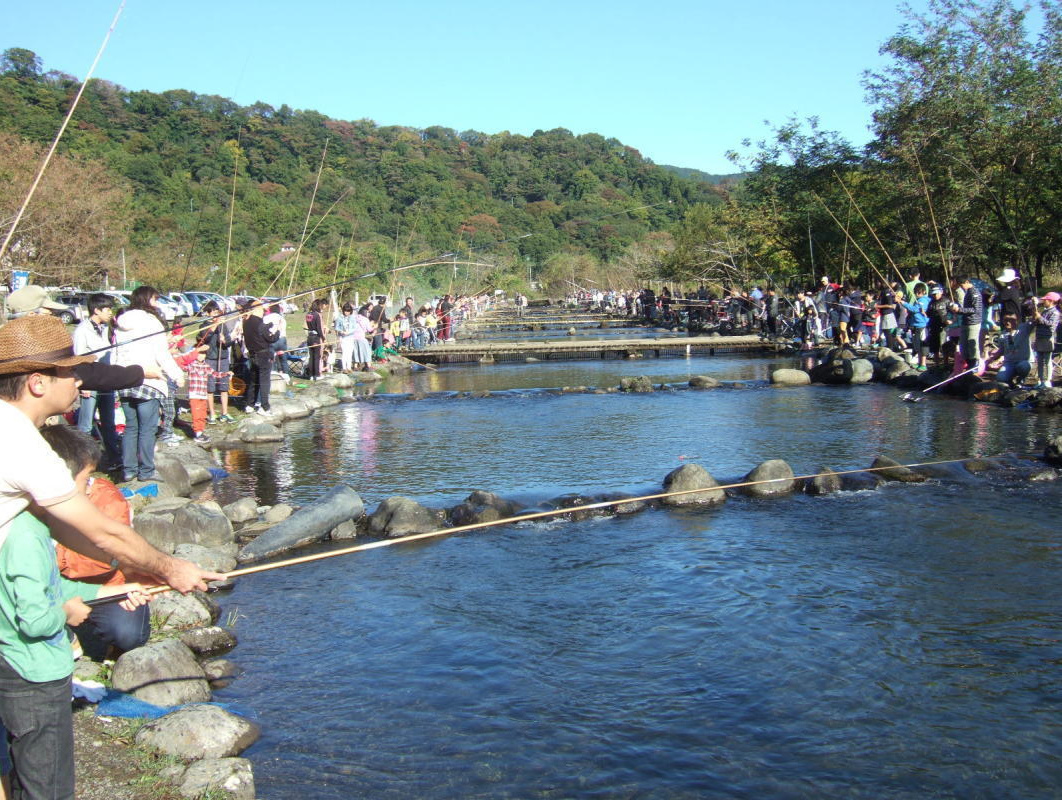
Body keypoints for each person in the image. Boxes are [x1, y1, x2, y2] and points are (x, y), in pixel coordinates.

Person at [0, 510, 148, 800]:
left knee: (25, 771)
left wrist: (115, 590)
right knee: (49, 785)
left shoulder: (20, 524)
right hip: (37, 674)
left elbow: (51, 588)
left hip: (20, 665)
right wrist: (66, 613)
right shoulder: (27, 536)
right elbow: (35, 620)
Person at [38, 424, 151, 660]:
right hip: (48, 588)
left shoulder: (106, 499)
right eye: (86, 478)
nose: (90, 485)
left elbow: (103, 561)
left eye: (91, 477)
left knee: (128, 634)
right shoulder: (28, 503)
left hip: (106, 583)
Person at [112, 286, 184, 482]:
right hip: (148, 380)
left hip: (125, 379)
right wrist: (177, 375)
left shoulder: (120, 323)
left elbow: (116, 352)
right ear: (147, 300)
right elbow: (161, 354)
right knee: (147, 428)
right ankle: (146, 471)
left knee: (131, 427)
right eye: (155, 299)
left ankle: (129, 470)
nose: (158, 303)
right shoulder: (151, 322)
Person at [71, 293, 121, 470]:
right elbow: (78, 358)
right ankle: (81, 462)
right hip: (90, 382)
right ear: (97, 310)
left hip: (106, 381)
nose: (110, 312)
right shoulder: (82, 330)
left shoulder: (106, 329)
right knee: (85, 424)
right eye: (107, 309)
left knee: (109, 422)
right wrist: (83, 383)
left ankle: (114, 458)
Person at [196, 301, 235, 424]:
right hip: (210, 359)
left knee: (224, 386)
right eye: (213, 312)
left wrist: (225, 341)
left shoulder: (223, 326)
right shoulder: (203, 325)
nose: (216, 314)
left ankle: (224, 413)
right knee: (210, 387)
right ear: (208, 313)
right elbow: (204, 338)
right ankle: (212, 413)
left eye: (217, 311)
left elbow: (229, 342)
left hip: (223, 358)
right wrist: (215, 324)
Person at [243, 301, 280, 414]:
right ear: (256, 309)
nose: (263, 312)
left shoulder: (246, 322)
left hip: (252, 354)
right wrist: (278, 331)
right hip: (263, 355)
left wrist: (269, 325)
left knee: (254, 380)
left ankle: (250, 404)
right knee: (264, 381)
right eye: (262, 310)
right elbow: (271, 338)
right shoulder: (258, 322)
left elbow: (261, 330)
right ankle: (264, 407)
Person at [950, 276, 984, 373]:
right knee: (964, 344)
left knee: (972, 343)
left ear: (967, 282)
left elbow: (975, 309)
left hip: (973, 322)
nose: (961, 287)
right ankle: (968, 363)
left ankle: (975, 364)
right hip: (965, 322)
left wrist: (960, 310)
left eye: (962, 285)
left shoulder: (974, 293)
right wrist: (957, 310)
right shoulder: (967, 292)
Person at [989, 314, 1033, 387]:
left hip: (1023, 361)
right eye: (1005, 320)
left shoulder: (1024, 329)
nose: (1007, 322)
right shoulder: (1003, 334)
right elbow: (1001, 350)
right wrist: (991, 358)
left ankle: (1021, 379)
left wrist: (1034, 309)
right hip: (1009, 363)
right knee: (1000, 378)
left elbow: (1034, 319)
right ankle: (1010, 383)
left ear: (1017, 321)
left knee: (1024, 366)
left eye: (1011, 320)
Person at [1031, 291, 1060, 389]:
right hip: (1039, 338)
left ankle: (1047, 381)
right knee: (1039, 361)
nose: (1043, 301)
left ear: (1051, 301)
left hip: (1047, 339)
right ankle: (1040, 380)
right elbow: (1037, 322)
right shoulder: (1044, 311)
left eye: (1045, 300)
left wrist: (1040, 317)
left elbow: (1050, 324)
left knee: (1047, 361)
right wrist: (1034, 308)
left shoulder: (1055, 313)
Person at [304, 299, 326, 380]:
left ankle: (311, 375)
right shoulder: (317, 315)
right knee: (317, 357)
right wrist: (323, 338)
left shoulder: (308, 314)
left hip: (309, 337)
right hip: (316, 337)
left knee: (311, 357)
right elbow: (319, 328)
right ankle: (317, 375)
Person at [334, 303, 359, 372]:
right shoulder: (339, 318)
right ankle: (344, 368)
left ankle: (349, 367)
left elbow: (355, 328)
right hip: (343, 337)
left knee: (350, 352)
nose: (347, 313)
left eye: (348, 311)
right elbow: (336, 327)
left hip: (350, 337)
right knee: (344, 352)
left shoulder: (352, 318)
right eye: (345, 311)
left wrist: (349, 332)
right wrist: (341, 331)